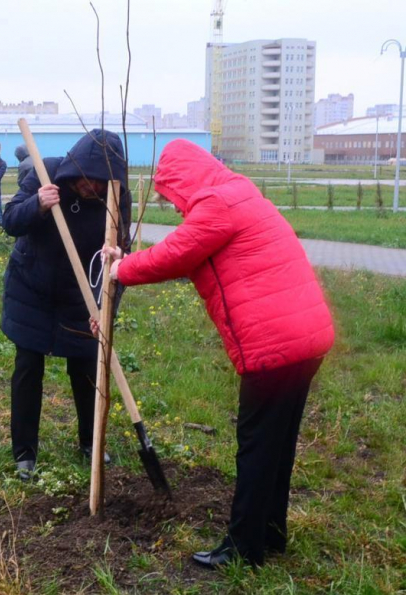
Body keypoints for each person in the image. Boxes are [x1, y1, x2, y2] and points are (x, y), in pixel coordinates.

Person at [102, 139, 334, 570]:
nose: (173, 206)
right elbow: (189, 254)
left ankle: (243, 547)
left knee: (256, 445)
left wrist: (120, 270)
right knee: (277, 444)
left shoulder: (215, 204)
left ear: (183, 180)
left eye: (171, 194)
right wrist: (128, 260)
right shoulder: (237, 192)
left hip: (275, 345)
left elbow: (176, 253)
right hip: (306, 337)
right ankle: (271, 532)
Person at [1, 129, 131, 481]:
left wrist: (106, 307)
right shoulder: (46, 173)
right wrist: (37, 204)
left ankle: (91, 442)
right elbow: (9, 221)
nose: (94, 187)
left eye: (102, 181)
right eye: (88, 179)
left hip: (82, 297)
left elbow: (123, 255)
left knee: (87, 370)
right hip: (33, 290)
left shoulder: (117, 196)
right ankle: (25, 453)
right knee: (28, 368)